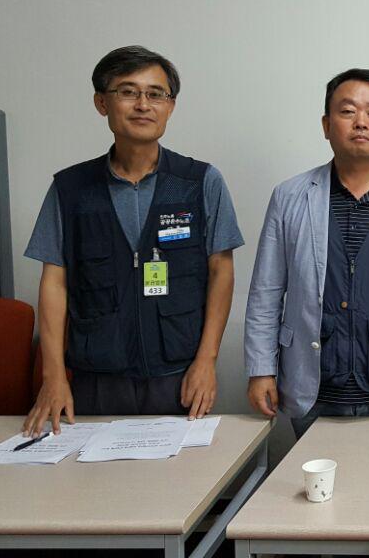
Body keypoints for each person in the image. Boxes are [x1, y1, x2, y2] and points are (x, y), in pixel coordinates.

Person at [22, 46, 243, 436]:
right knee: (90, 471)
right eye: (128, 92)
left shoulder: (199, 182)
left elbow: (221, 272)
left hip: (178, 373)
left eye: (156, 94)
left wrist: (206, 361)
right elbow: (54, 282)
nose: (143, 104)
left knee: (184, 472)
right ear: (101, 103)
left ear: (170, 106)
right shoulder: (70, 189)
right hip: (96, 376)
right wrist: (54, 376)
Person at [244, 69, 369, 437]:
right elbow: (266, 291)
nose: (361, 122)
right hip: (314, 389)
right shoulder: (289, 197)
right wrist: (261, 369)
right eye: (347, 111)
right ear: (326, 125)